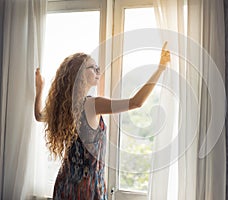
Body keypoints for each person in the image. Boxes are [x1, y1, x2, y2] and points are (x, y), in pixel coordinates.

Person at [34, 42, 170, 199]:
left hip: (65, 184)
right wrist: (160, 69)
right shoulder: (92, 104)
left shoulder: (64, 108)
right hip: (88, 188)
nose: (98, 71)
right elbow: (135, 102)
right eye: (93, 68)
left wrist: (40, 90)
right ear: (78, 74)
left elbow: (39, 116)